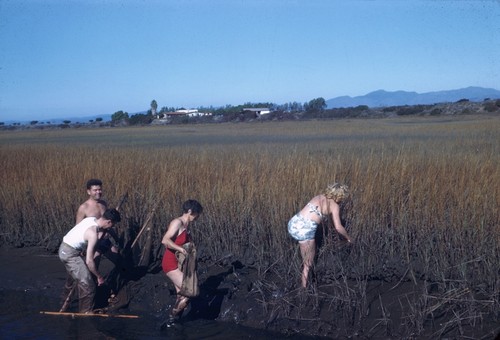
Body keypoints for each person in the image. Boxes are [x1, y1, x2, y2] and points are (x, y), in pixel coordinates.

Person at [288, 183, 353, 288]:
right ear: (341, 196)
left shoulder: (318, 196)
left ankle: (303, 282)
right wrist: (349, 238)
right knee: (307, 265)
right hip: (305, 231)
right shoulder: (335, 206)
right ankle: (303, 291)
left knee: (304, 256)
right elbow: (338, 227)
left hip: (293, 223)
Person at [58, 208, 122, 313]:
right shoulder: (93, 234)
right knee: (88, 285)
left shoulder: (91, 219)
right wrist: (99, 277)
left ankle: (64, 303)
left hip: (67, 248)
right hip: (69, 254)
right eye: (112, 224)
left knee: (75, 278)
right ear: (108, 222)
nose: (112, 227)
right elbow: (89, 261)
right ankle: (85, 313)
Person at [161, 199, 203, 321]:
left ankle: (174, 321)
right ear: (190, 211)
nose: (197, 217)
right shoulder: (177, 222)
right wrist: (181, 249)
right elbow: (165, 240)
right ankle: (171, 318)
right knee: (190, 292)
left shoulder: (186, 226)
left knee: (181, 295)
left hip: (179, 264)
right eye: (197, 214)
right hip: (170, 263)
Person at [76, 179, 119, 256]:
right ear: (89, 192)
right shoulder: (84, 207)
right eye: (95, 190)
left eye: (100, 190)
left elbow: (108, 222)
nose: (98, 192)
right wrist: (82, 247)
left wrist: (116, 238)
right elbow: (78, 228)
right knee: (94, 261)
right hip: (92, 241)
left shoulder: (103, 204)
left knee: (118, 258)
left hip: (104, 239)